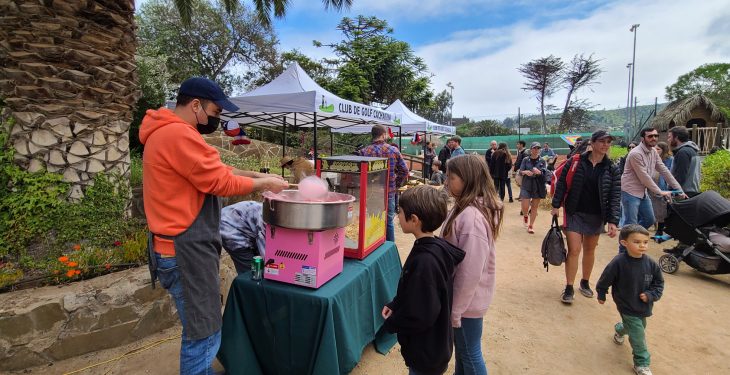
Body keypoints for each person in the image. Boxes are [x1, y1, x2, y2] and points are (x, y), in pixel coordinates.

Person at [140, 77, 288, 374]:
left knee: (202, 329)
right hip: (184, 251)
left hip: (177, 248)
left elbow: (218, 168)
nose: (216, 119)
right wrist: (263, 184)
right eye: (216, 112)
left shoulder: (169, 133)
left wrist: (258, 177)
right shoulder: (178, 135)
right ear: (196, 105)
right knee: (204, 334)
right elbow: (218, 181)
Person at [382, 186, 465, 375]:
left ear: (414, 220)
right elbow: (415, 293)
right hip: (434, 344)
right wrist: (396, 304)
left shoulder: (425, 261)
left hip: (426, 350)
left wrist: (392, 322)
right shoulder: (433, 248)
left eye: (400, 212)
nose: (397, 216)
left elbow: (420, 313)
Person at [441, 154, 504, 375]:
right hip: (465, 300)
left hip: (466, 303)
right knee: (464, 353)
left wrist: (456, 310)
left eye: (451, 177)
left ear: (467, 179)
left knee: (469, 353)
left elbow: (470, 271)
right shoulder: (466, 208)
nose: (446, 182)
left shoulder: (471, 218)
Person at [551, 130, 621, 304]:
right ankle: (569, 287)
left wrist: (613, 220)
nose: (605, 145)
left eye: (608, 142)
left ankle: (585, 282)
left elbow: (615, 195)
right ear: (593, 143)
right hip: (574, 211)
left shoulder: (611, 168)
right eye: (602, 141)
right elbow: (561, 183)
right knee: (574, 250)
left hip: (596, 214)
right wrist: (555, 205)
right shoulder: (576, 161)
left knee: (590, 250)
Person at [596, 224, 664, 375]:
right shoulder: (619, 262)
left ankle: (619, 329)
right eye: (637, 242)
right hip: (625, 303)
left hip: (644, 305)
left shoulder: (651, 264)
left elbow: (659, 283)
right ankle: (641, 363)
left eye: (645, 242)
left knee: (637, 327)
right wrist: (601, 293)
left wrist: (651, 295)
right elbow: (606, 278)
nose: (642, 245)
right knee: (638, 334)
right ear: (624, 243)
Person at [620, 127, 686, 241]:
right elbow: (644, 177)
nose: (653, 138)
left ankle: (633, 238)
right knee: (630, 224)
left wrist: (679, 189)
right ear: (643, 138)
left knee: (649, 219)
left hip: (643, 192)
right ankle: (624, 252)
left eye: (655, 136)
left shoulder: (653, 152)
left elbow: (664, 170)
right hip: (630, 192)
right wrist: (660, 192)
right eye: (650, 136)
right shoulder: (635, 153)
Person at [358, 125, 409, 242]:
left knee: (373, 219)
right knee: (388, 222)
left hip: (371, 192)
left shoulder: (364, 151)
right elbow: (405, 171)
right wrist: (396, 184)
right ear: (383, 134)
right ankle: (389, 247)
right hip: (388, 192)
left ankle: (373, 245)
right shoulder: (393, 150)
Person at [219, 201, 266, 274]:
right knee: (249, 270)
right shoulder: (265, 220)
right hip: (229, 229)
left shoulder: (269, 213)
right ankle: (249, 284)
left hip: (240, 225)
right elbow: (265, 252)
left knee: (258, 265)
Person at [519, 142, 548, 234]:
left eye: (538, 148)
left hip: (537, 186)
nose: (536, 150)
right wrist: (525, 172)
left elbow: (545, 173)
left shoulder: (542, 161)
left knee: (535, 207)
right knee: (525, 206)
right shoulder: (525, 160)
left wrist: (539, 172)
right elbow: (520, 171)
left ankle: (531, 226)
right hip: (526, 185)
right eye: (534, 148)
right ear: (531, 149)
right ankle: (525, 215)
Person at [667, 126, 701, 197]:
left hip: (684, 192)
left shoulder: (683, 152)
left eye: (670, 137)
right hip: (692, 190)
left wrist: (673, 191)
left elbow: (681, 175)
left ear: (676, 138)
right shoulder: (692, 150)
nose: (668, 140)